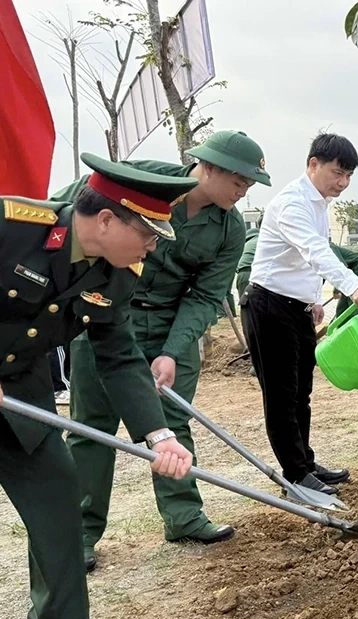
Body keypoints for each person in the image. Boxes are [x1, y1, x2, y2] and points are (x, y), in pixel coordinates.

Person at [0, 152, 195, 619]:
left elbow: (118, 354)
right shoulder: (4, 223)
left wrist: (158, 435)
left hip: (17, 392)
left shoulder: (118, 273)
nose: (152, 247)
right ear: (106, 219)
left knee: (59, 497)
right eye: (147, 234)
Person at [53, 131, 268, 569]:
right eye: (239, 181)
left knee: (173, 424)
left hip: (173, 325)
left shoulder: (230, 228)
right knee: (92, 428)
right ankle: (78, 534)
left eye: (250, 185)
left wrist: (172, 351)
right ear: (208, 167)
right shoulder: (145, 179)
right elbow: (71, 206)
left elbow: (207, 295)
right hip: (106, 312)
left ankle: (183, 515)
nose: (244, 191)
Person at [241, 132, 358, 496]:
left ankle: (305, 462)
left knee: (301, 393)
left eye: (349, 176)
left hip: (295, 307)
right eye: (338, 173)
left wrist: (314, 298)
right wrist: (353, 285)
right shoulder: (292, 203)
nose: (343, 183)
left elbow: (302, 263)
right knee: (282, 396)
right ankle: (295, 475)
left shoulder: (318, 203)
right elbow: (314, 250)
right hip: (269, 307)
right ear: (313, 165)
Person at [331, 241, 358, 319]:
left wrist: (336, 290)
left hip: (357, 269)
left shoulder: (329, 247)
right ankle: (340, 327)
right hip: (349, 271)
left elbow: (341, 268)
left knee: (355, 302)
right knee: (342, 306)